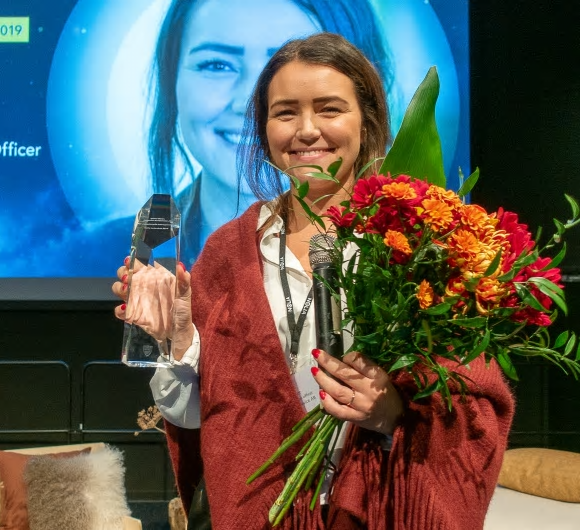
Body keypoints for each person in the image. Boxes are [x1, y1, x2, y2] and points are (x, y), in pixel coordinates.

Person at [114, 33, 514, 529]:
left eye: (329, 109)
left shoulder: (422, 243)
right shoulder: (227, 253)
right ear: (263, 131)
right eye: (285, 113)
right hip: (257, 514)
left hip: (380, 509)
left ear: (366, 122)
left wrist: (390, 412)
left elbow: (474, 403)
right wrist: (177, 338)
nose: (306, 131)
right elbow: (194, 417)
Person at [146, 0, 395, 269]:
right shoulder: (119, 247)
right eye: (217, 65)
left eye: (329, 108)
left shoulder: (412, 241)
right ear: (170, 82)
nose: (249, 103)